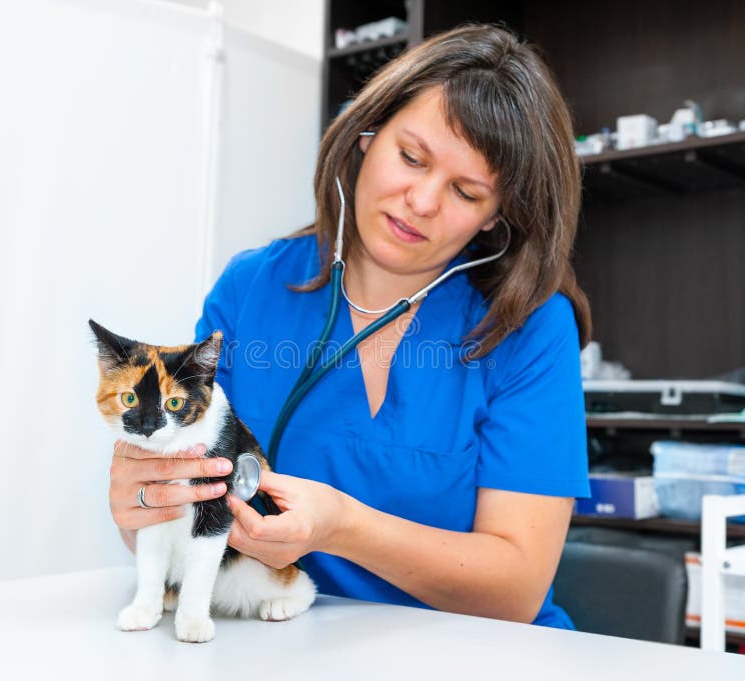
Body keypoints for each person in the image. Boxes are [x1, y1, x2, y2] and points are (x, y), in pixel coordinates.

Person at [109, 23, 592, 628]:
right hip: (287, 643)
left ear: (499, 217)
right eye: (411, 157)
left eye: (467, 193)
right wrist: (144, 502)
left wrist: (345, 528)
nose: (421, 201)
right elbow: (181, 520)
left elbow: (515, 591)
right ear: (366, 135)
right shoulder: (250, 289)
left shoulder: (529, 329)